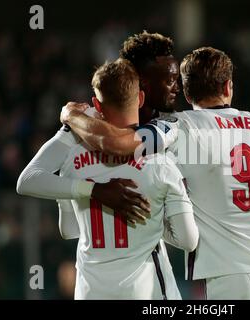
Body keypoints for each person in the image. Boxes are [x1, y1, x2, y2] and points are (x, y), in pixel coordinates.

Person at [60, 45, 250, 299]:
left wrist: (71, 115)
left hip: (230, 274)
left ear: (187, 93)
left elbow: (118, 145)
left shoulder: (179, 128)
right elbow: (247, 185)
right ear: (227, 87)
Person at [18, 59, 198, 299]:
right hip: (147, 292)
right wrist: (154, 221)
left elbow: (66, 226)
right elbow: (188, 240)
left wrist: (88, 190)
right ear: (141, 99)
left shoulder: (71, 153)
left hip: (90, 292)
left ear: (95, 104)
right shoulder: (160, 159)